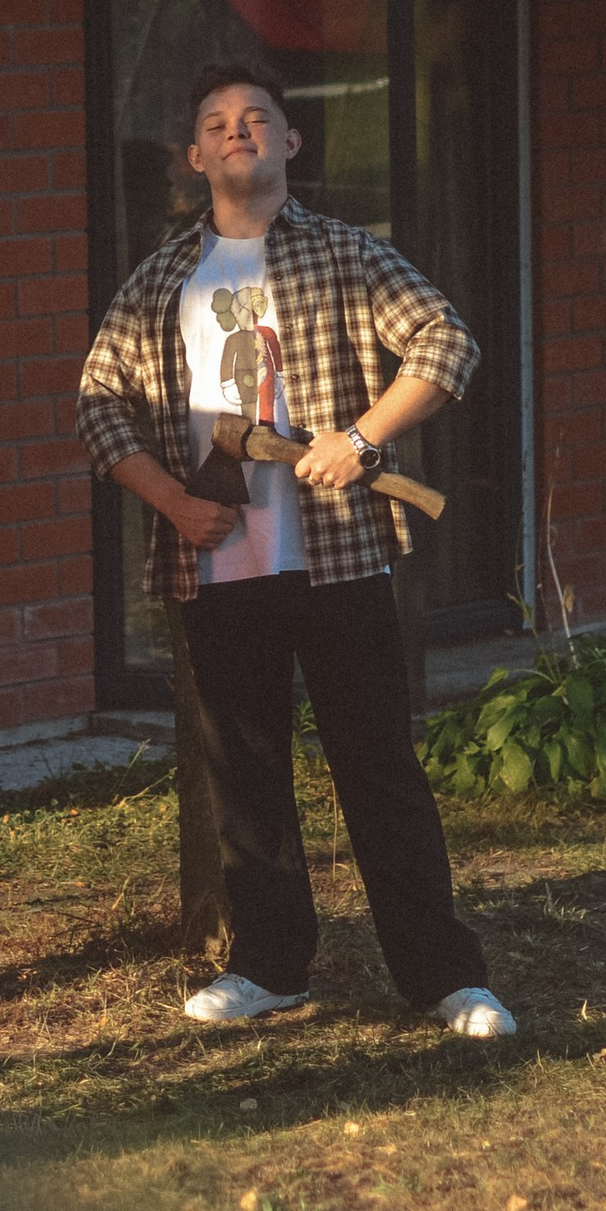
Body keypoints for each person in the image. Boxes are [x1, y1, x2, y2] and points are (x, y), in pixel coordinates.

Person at [76, 60, 515, 1041]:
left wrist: (361, 437)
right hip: (210, 564)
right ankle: (266, 967)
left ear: (289, 142)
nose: (238, 132)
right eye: (217, 122)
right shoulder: (157, 280)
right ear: (193, 157)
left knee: (379, 769)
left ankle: (444, 977)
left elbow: (446, 344)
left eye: (257, 118)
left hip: (340, 555)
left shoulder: (348, 256)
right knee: (239, 779)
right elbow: (97, 405)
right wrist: (174, 505)